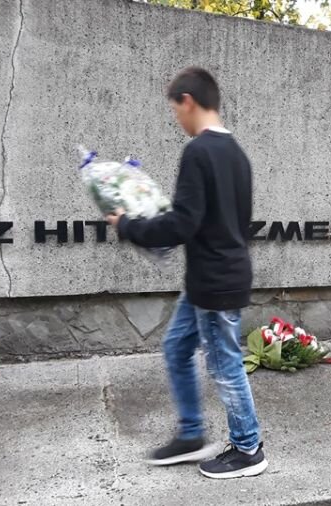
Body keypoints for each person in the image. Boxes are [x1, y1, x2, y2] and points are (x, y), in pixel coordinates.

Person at [106, 67, 267, 478]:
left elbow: (182, 224)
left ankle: (248, 449)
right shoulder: (237, 154)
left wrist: (128, 225)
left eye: (175, 109)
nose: (176, 118)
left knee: (225, 366)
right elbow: (228, 222)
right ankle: (192, 434)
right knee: (177, 347)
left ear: (188, 101)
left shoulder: (199, 151)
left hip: (214, 283)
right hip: (213, 278)